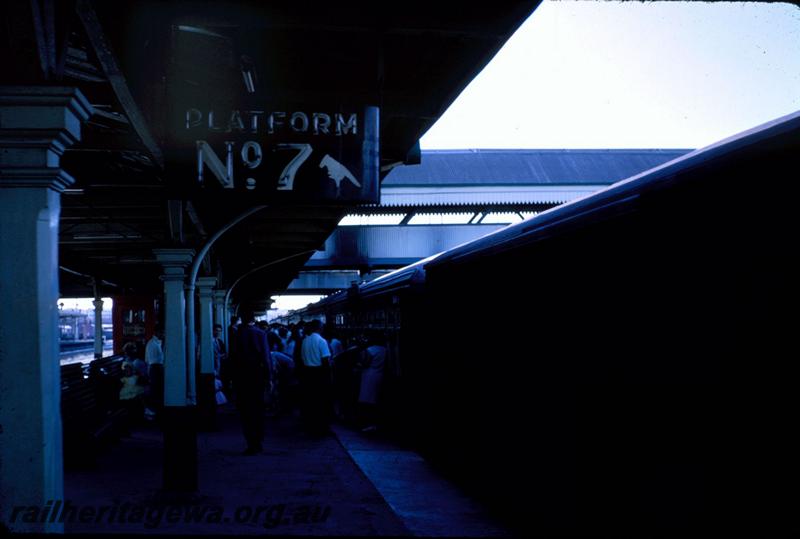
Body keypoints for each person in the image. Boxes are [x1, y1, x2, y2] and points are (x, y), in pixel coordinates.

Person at [230, 310, 271, 455]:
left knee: (245, 411)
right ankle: (258, 441)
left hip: (241, 378)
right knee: (258, 409)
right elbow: (266, 358)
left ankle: (250, 443)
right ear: (254, 320)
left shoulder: (236, 334)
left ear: (242, 319)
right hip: (257, 376)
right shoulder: (261, 334)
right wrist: (269, 378)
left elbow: (232, 358)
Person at [299, 319, 332, 434]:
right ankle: (322, 428)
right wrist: (328, 376)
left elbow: (302, 359)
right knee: (322, 402)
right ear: (319, 327)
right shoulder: (321, 341)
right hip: (319, 374)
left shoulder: (305, 341)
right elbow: (325, 360)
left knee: (311, 401)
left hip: (307, 374)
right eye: (322, 326)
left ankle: (311, 426)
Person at [357, 332, 387, 433]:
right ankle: (376, 424)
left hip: (369, 376)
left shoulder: (371, 350)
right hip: (379, 375)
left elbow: (364, 362)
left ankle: (369, 424)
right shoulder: (384, 350)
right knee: (375, 400)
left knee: (367, 401)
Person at [144, 326, 165, 419]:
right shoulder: (153, 344)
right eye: (162, 333)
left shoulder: (155, 342)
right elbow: (154, 360)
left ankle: (154, 410)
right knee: (155, 389)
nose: (164, 335)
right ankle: (153, 410)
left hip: (154, 368)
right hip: (155, 368)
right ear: (158, 332)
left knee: (156, 389)